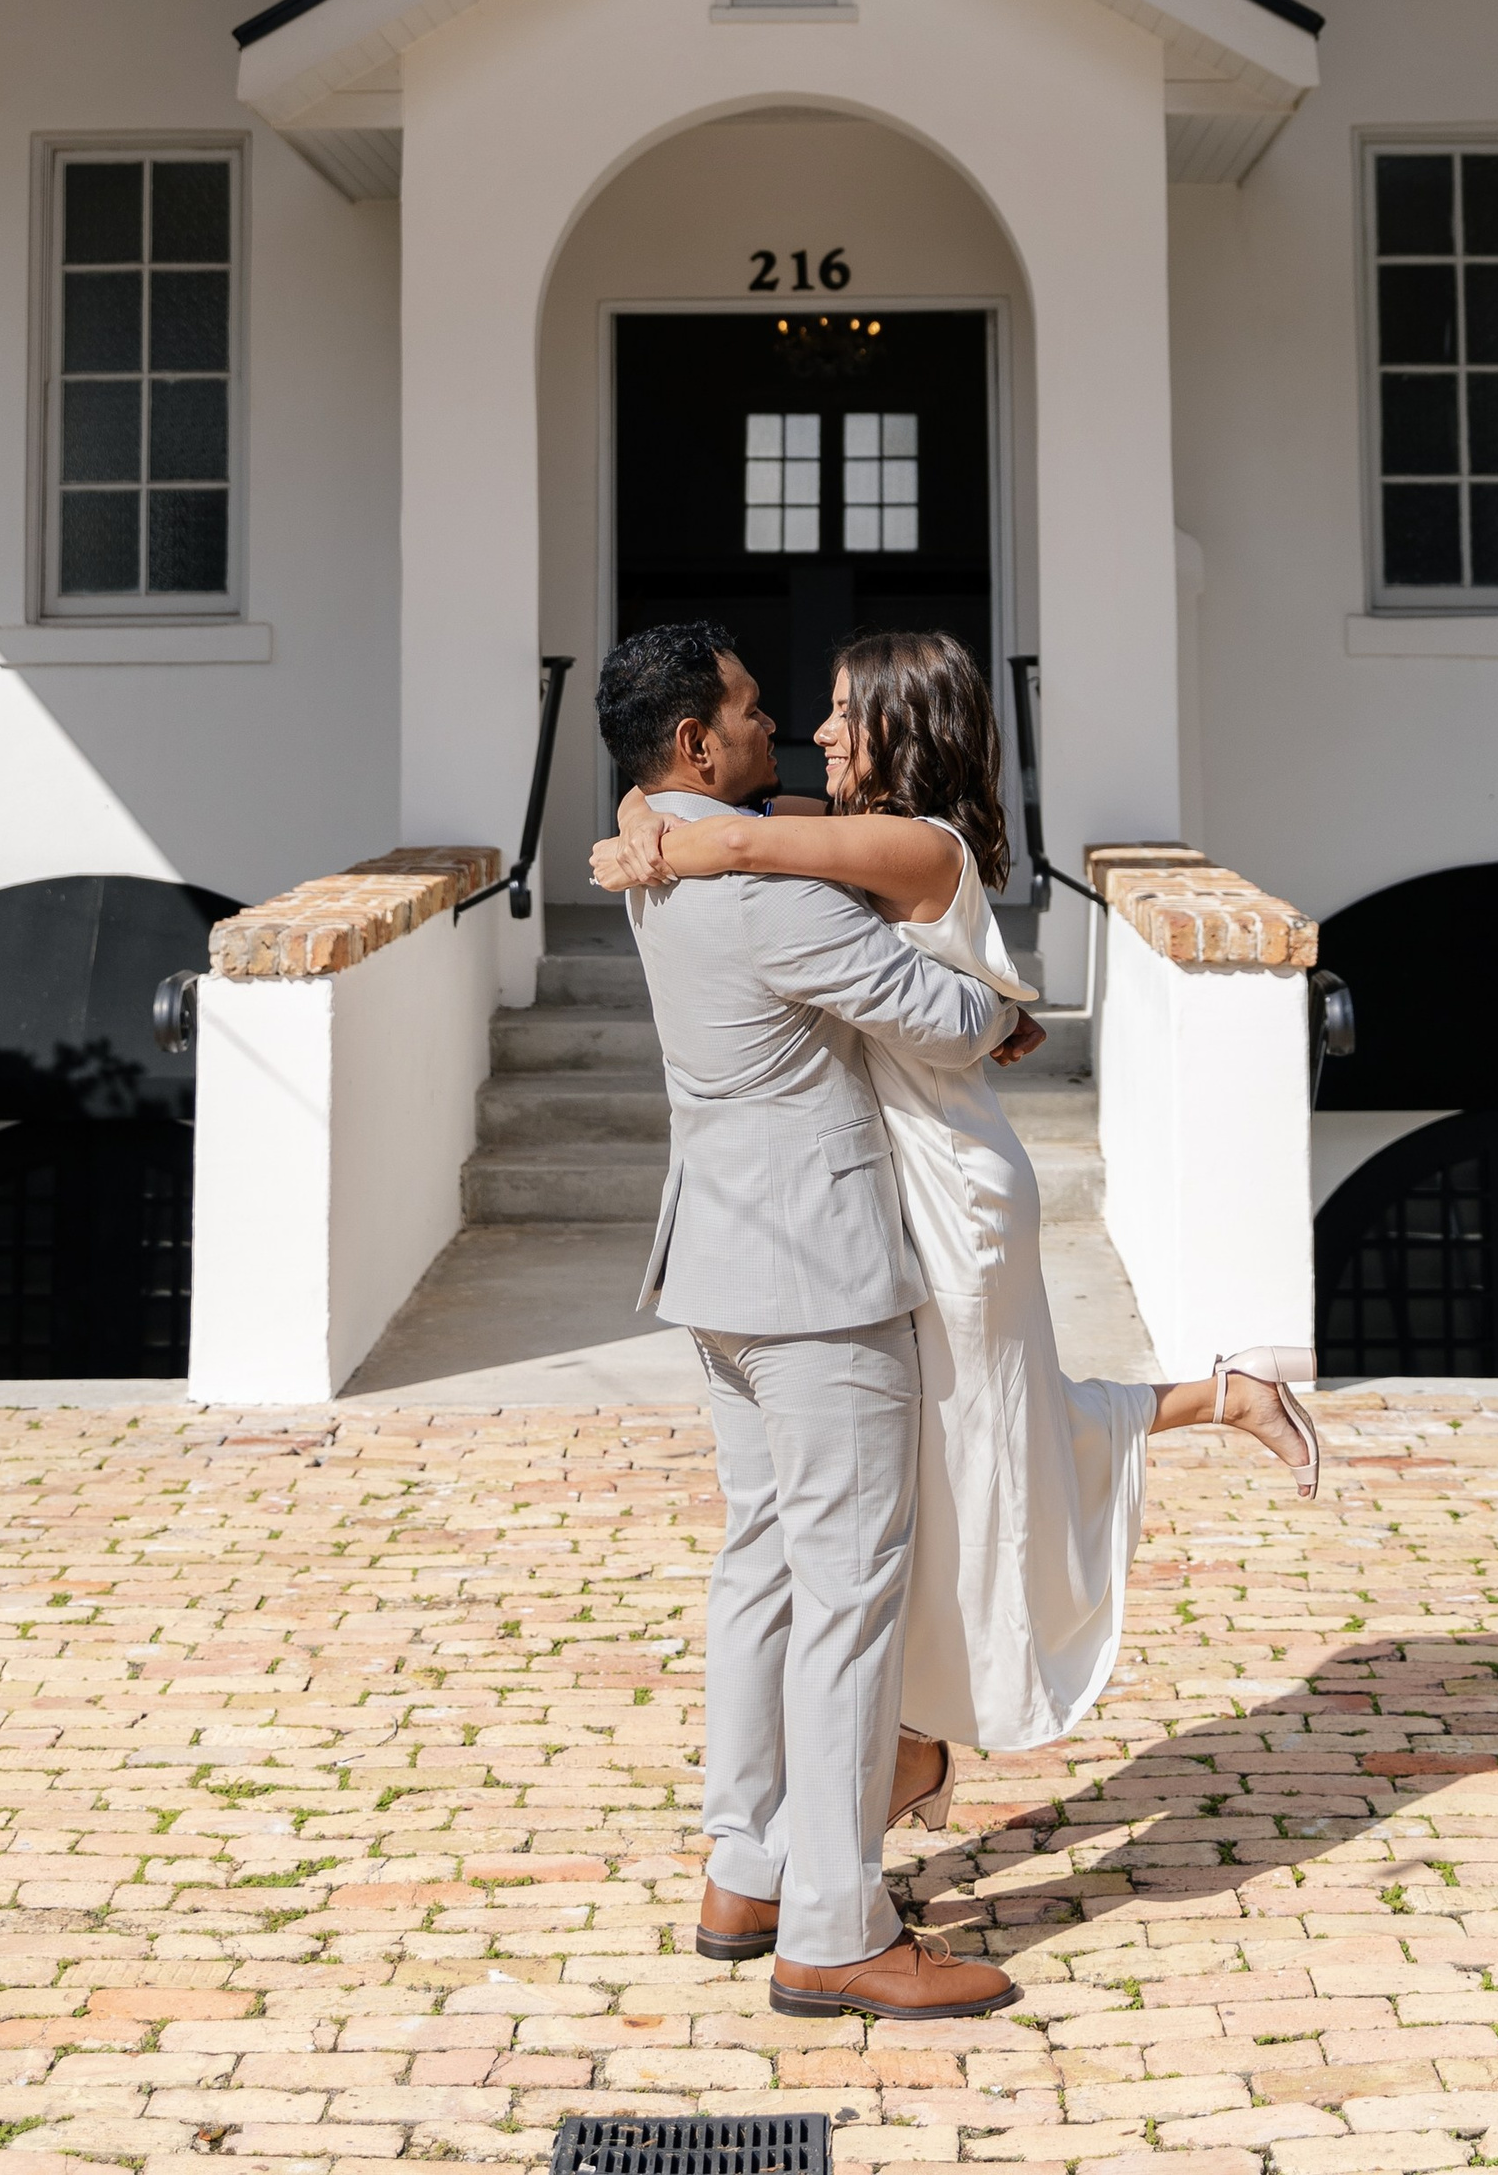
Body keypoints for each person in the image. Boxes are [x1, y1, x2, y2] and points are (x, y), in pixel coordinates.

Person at [594, 628, 1320, 1790]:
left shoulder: (912, 843)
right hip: (889, 1174)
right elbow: (725, 821)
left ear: (901, 725)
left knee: (977, 1451)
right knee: (953, 1453)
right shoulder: (835, 837)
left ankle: (912, 1743)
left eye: (843, 710)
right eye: (804, 708)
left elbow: (731, 836)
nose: (812, 731)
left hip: (947, 1178)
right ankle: (1221, 1399)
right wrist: (644, 808)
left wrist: (650, 823)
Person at [594, 618, 1024, 2026]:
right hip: (819, 1285)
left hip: (718, 1266)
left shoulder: (658, 852)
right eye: (747, 710)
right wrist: (1000, 1010)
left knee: (764, 1572)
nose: (772, 727)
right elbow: (944, 1018)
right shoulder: (764, 896)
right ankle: (837, 1926)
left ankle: (747, 1868)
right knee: (848, 1595)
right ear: (692, 743)